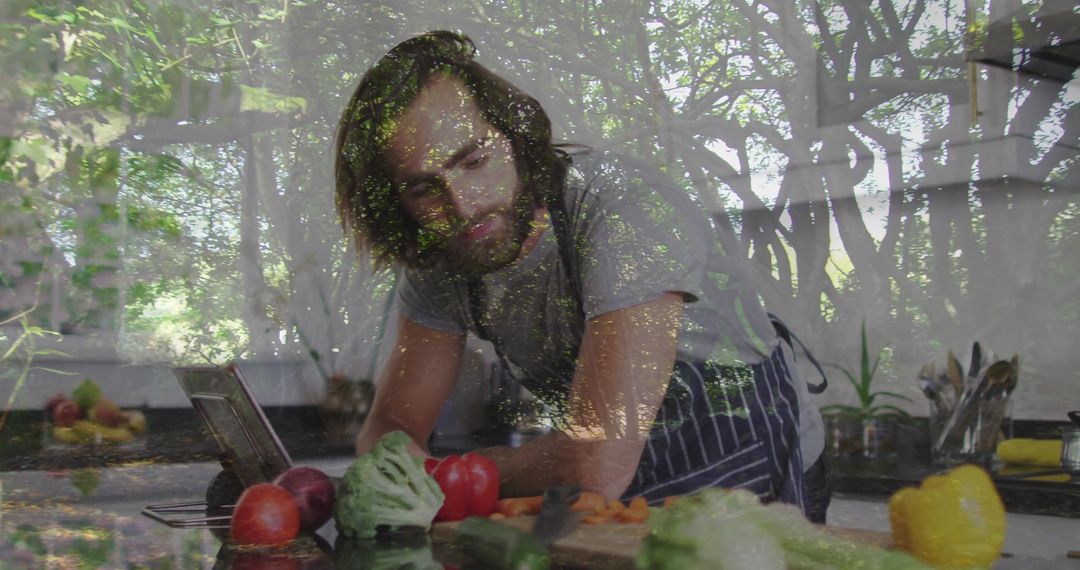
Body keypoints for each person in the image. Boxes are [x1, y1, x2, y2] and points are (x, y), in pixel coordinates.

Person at [335, 31, 830, 522]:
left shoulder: (623, 209)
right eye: (424, 189)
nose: (462, 206)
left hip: (751, 473)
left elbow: (594, 461)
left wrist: (444, 479)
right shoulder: (446, 254)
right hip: (619, 495)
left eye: (474, 161)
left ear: (515, 135)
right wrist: (409, 467)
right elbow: (391, 425)